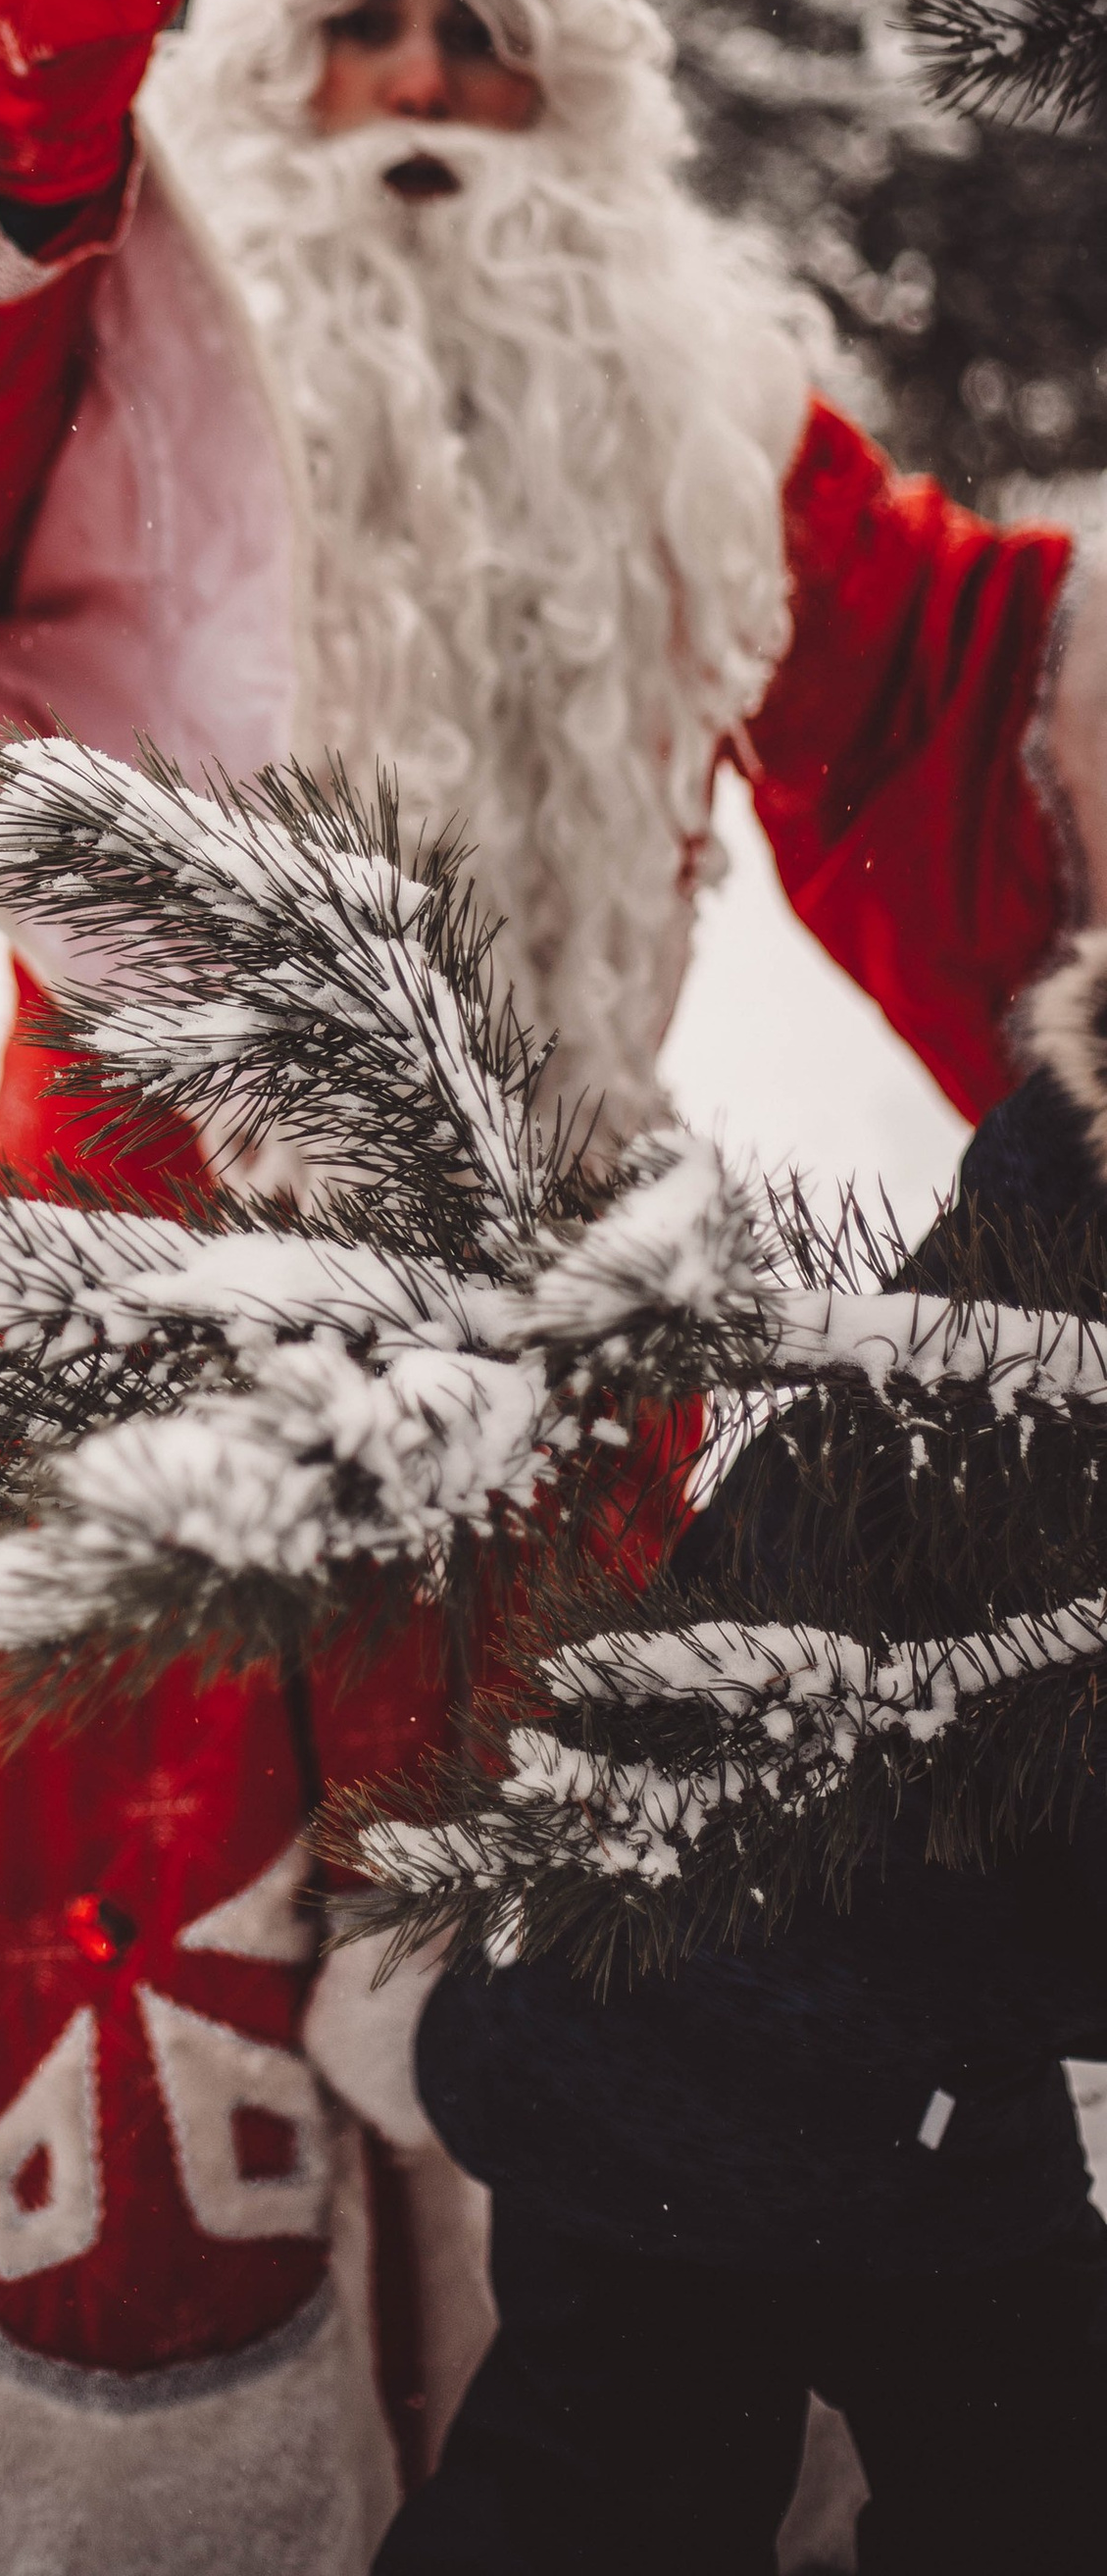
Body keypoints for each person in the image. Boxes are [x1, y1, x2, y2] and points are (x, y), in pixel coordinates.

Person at [0, 0, 1099, 2570]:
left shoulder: (690, 399)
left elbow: (941, 714)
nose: (416, 94)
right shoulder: (125, 331)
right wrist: (22, 149)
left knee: (620, 2070)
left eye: (484, 33)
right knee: (163, 2076)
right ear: (247, 71)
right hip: (150, 1350)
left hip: (579, 1373)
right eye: (352, 24)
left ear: (577, 81)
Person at [383, 999, 1107, 2576]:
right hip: (712, 2054)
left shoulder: (1047, 1233)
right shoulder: (1052, 1356)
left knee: (1024, 2466)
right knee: (618, 2485)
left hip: (788, 2031)